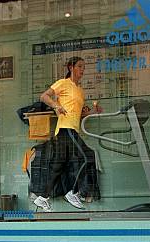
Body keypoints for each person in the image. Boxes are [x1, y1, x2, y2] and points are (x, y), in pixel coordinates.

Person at [33, 56, 102, 212]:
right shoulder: (63, 83)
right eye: (79, 66)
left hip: (72, 129)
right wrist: (56, 106)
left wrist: (93, 112)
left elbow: (78, 114)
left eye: (84, 67)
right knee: (87, 156)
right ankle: (72, 192)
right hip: (65, 129)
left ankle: (42, 198)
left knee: (58, 166)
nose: (82, 70)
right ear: (71, 67)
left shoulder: (80, 91)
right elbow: (44, 96)